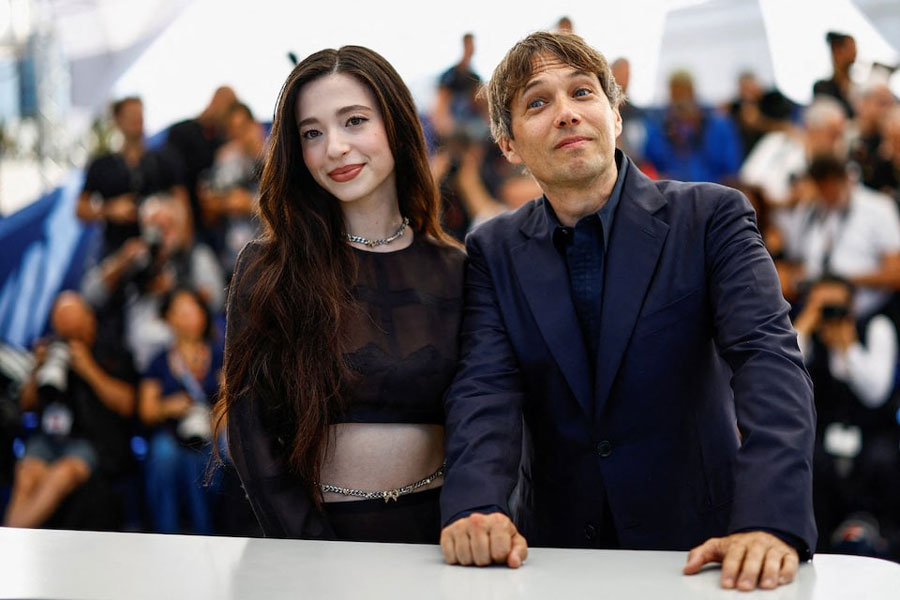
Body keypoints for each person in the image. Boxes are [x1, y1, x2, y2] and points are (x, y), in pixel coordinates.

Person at [439, 32, 816, 591]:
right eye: (537, 102)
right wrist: (476, 506)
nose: (566, 114)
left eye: (583, 93)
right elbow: (484, 389)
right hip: (555, 559)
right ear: (508, 144)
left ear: (615, 114)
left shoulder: (710, 217)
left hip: (703, 551)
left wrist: (769, 519)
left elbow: (769, 362)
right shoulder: (493, 249)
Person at [217, 46, 465, 543]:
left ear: (395, 123)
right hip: (311, 546)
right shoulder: (268, 269)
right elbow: (250, 434)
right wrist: (311, 550)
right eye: (312, 133)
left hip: (440, 542)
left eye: (353, 121)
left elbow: (483, 416)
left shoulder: (456, 268)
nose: (333, 147)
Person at [3, 292, 137, 528]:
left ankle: (9, 541)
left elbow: (127, 405)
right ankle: (10, 539)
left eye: (75, 329)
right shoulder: (53, 349)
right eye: (64, 331)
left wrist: (89, 369)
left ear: (89, 319)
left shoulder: (113, 351)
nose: (70, 337)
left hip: (93, 441)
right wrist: (37, 370)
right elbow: (26, 406)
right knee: (26, 474)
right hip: (49, 438)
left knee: (61, 475)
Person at [139, 288, 223, 534]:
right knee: (164, 456)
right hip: (172, 432)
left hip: (211, 431)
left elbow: (229, 400)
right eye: (180, 311)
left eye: (193, 309)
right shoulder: (159, 361)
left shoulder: (219, 354)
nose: (188, 316)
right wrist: (168, 406)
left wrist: (213, 420)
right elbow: (146, 410)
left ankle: (208, 532)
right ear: (169, 319)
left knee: (203, 460)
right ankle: (167, 532)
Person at [77, 96, 189, 259]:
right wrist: (109, 210)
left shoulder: (163, 160)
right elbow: (80, 209)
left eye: (139, 113)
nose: (137, 118)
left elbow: (182, 204)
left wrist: (181, 246)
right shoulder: (102, 165)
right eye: (131, 114)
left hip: (161, 253)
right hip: (117, 254)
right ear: (117, 120)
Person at [813, 32, 857, 118]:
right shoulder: (822, 88)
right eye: (850, 49)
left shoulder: (857, 87)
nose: (855, 54)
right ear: (836, 51)